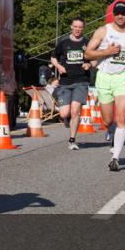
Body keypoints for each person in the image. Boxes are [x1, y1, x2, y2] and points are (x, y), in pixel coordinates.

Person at [84, 0, 125, 172]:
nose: (120, 16)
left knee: (121, 117)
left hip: (124, 77)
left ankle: (115, 158)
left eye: (124, 13)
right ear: (114, 14)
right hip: (104, 77)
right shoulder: (103, 30)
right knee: (107, 120)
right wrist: (107, 52)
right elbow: (87, 53)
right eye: (118, 13)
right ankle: (111, 131)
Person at [51, 16, 92, 150]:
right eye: (76, 27)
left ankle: (72, 139)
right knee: (64, 113)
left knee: (75, 111)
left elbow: (95, 58)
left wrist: (89, 64)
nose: (78, 29)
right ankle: (66, 119)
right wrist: (59, 67)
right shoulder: (63, 43)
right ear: (71, 27)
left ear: (83, 28)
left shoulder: (87, 43)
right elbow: (53, 58)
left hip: (81, 81)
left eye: (80, 27)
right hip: (65, 81)